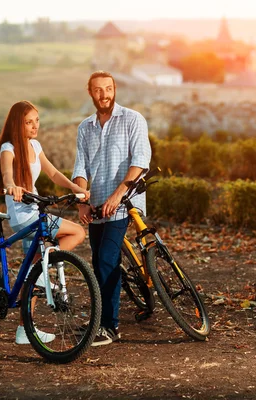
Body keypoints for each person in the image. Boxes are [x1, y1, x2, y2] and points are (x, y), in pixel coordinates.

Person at [0, 100, 90, 345]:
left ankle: (25, 330)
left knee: (33, 271)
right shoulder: (8, 148)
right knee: (77, 232)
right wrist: (12, 186)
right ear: (17, 124)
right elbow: (7, 174)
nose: (35, 126)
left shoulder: (35, 145)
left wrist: (75, 187)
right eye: (28, 122)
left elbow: (53, 173)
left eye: (37, 120)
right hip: (23, 217)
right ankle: (46, 264)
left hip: (36, 211)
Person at [72, 71, 152, 346]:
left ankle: (109, 326)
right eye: (98, 90)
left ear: (114, 89)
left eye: (108, 89)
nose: (104, 94)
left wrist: (119, 195)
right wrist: (82, 201)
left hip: (125, 201)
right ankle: (101, 317)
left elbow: (140, 161)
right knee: (99, 263)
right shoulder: (85, 128)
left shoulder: (132, 119)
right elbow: (80, 167)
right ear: (90, 92)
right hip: (97, 206)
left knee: (106, 260)